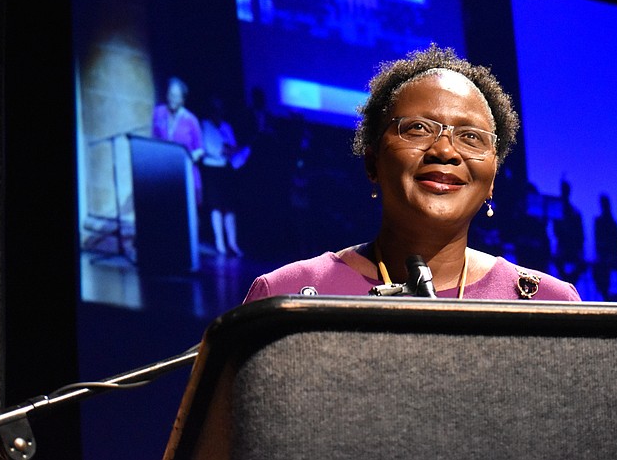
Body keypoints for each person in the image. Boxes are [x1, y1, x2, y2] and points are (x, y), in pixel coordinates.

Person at [242, 44, 581, 303]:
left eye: (471, 137)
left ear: (492, 181)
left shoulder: (549, 302)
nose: (445, 151)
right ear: (372, 163)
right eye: (418, 128)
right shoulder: (286, 295)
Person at [200, 96, 248, 256]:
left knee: (229, 207)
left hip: (226, 170)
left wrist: (230, 149)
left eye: (220, 109)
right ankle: (220, 243)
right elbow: (212, 149)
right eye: (214, 108)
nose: (217, 112)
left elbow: (232, 147)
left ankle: (232, 243)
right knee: (216, 206)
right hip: (212, 170)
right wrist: (226, 150)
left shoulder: (226, 126)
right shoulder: (205, 125)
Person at [151, 76, 205, 205]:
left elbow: (201, 149)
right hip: (165, 170)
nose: (172, 99)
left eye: (176, 96)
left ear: (182, 99)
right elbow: (154, 138)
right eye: (170, 95)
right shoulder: (159, 113)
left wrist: (189, 157)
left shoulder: (190, 120)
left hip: (185, 172)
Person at [592, 193, 617, 300]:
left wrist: (613, 256)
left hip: (612, 257)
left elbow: (616, 242)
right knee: (597, 268)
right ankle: (604, 294)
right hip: (602, 257)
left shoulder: (613, 223)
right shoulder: (599, 222)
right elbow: (597, 241)